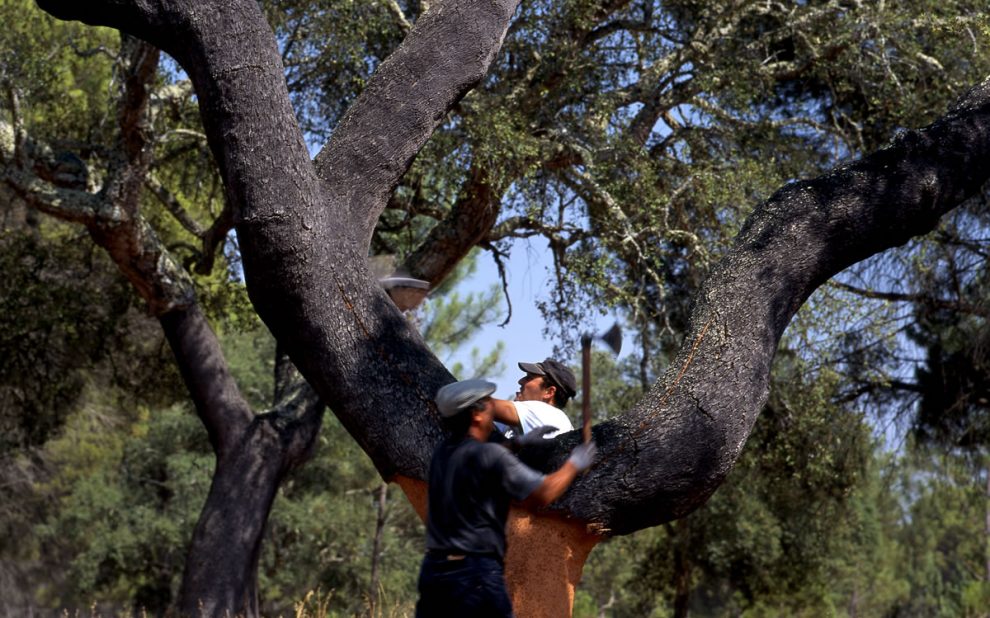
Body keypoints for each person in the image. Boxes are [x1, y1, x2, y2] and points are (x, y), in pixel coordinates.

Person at [416, 379, 597, 617]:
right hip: (475, 573)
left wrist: (519, 442)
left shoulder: (443, 453)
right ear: (477, 416)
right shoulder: (490, 456)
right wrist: (575, 463)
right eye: (488, 404)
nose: (494, 407)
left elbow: (479, 458)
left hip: (435, 571)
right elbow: (543, 493)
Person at [491, 358, 577, 439]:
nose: (520, 381)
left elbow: (486, 406)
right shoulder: (520, 422)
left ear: (549, 392)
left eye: (529, 378)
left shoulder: (550, 415)